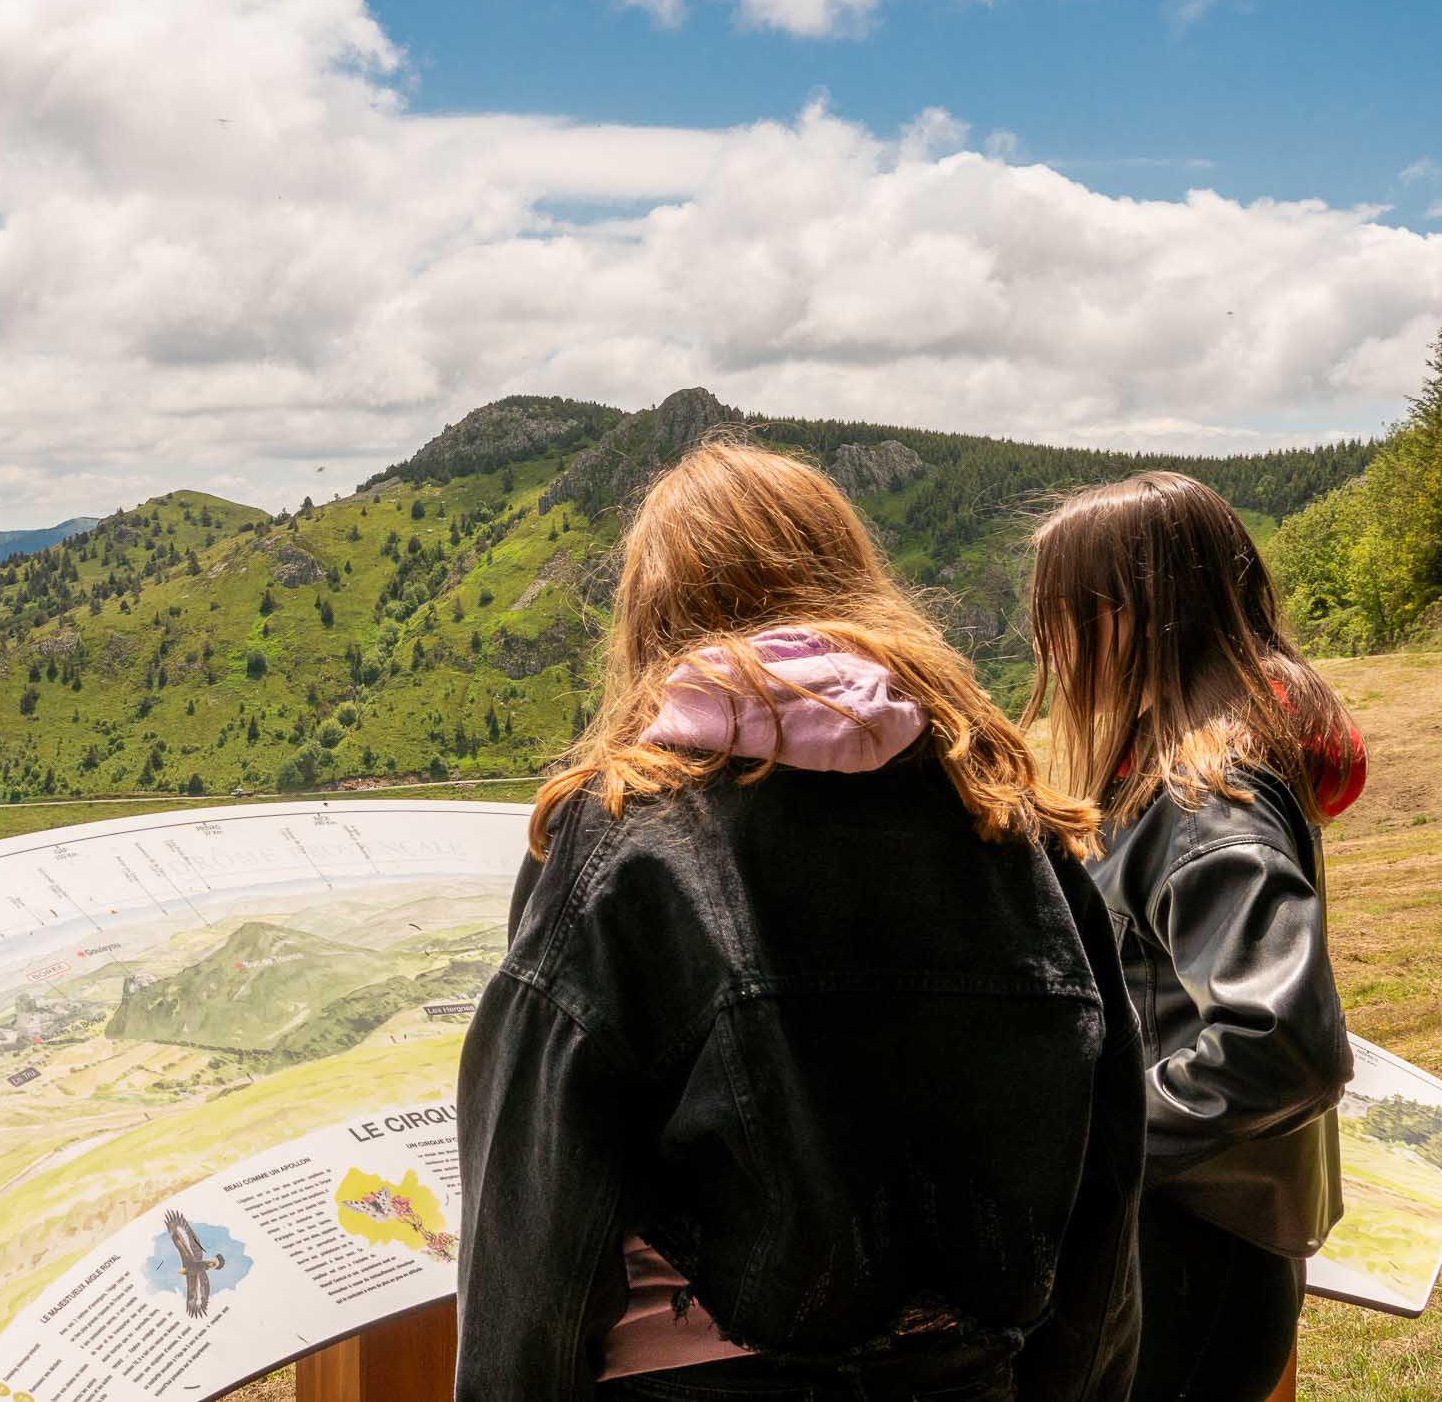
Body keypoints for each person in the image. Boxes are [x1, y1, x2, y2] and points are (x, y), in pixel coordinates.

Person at [455, 439, 1145, 1402]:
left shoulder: (618, 837)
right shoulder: (1010, 822)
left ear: (655, 616)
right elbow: (1108, 1178)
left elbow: (532, 1222)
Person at [1026, 472, 1365, 1402]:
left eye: (1065, 612)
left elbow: (1284, 1041)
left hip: (1191, 1253)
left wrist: (1099, 1132)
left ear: (1136, 617)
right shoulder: (1188, 770)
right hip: (1205, 1238)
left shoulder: (1205, 800)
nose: (1048, 643)